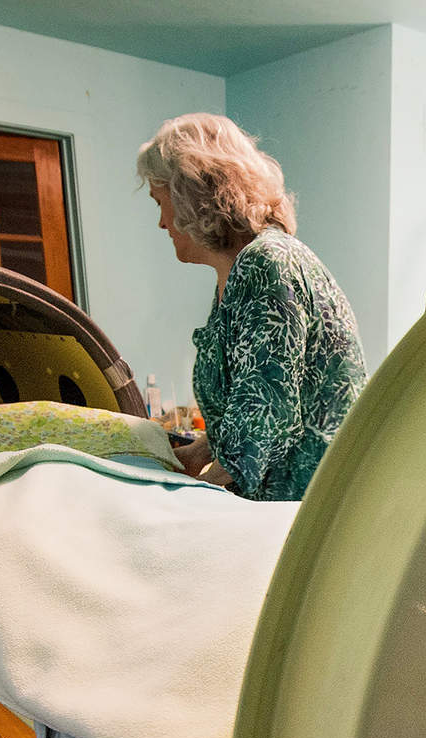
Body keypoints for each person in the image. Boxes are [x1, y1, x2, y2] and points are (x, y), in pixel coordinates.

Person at [135, 114, 366, 501]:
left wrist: (194, 491)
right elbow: (247, 396)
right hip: (282, 502)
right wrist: (199, 452)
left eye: (161, 203)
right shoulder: (237, 272)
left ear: (192, 196)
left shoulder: (267, 263)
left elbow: (268, 413)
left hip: (308, 506)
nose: (161, 223)